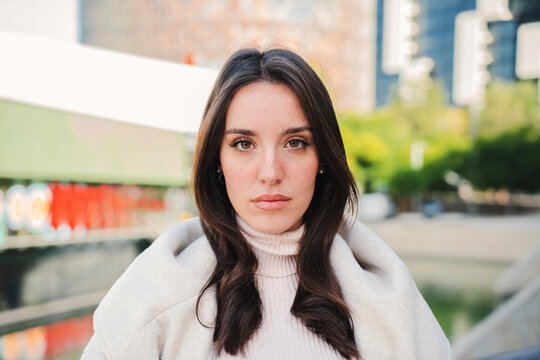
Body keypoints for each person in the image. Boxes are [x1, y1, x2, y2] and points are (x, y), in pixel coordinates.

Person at [81, 47, 451, 360]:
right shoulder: (157, 293)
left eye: (296, 143)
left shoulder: (386, 291)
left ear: (323, 158)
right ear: (217, 161)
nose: (271, 172)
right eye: (244, 144)